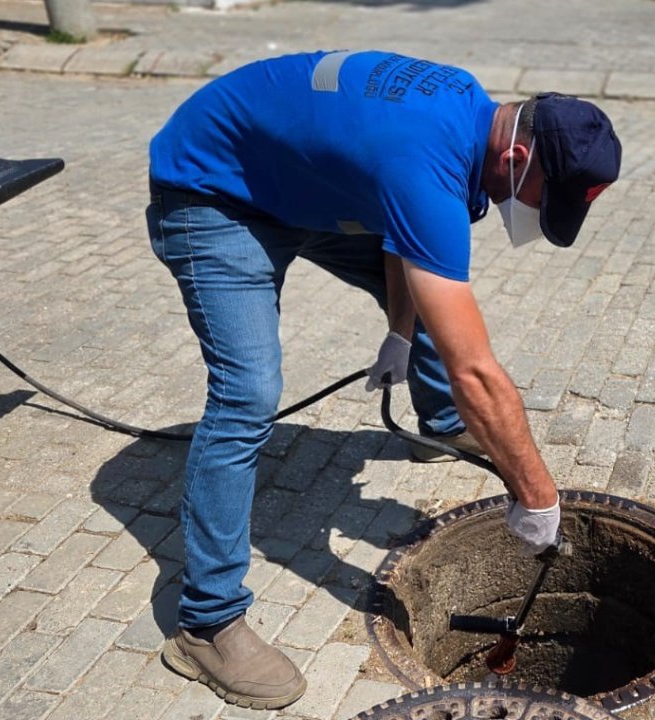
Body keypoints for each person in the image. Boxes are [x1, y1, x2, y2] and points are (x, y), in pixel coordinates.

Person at [147, 50, 621, 709]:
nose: (542, 213)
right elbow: (475, 369)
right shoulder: (424, 161)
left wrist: (400, 331)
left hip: (301, 183)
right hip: (215, 190)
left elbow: (402, 235)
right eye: (550, 197)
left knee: (435, 303)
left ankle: (443, 425)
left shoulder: (467, 118)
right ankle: (206, 624)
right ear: (516, 158)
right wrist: (537, 496)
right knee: (246, 394)